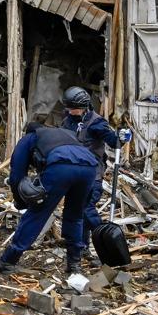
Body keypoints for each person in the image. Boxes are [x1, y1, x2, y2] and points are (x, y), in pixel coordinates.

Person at [0, 122, 102, 274]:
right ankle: (74, 265)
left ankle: (8, 261)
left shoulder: (29, 138)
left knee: (37, 213)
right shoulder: (66, 134)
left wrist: (20, 201)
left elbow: (16, 175)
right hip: (90, 168)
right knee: (75, 216)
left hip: (61, 166)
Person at [59, 87, 132, 249]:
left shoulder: (96, 123)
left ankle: (109, 242)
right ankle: (82, 246)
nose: (71, 111)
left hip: (92, 176)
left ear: (84, 106)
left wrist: (121, 137)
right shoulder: (68, 120)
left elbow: (113, 141)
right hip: (72, 175)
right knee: (77, 213)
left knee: (86, 210)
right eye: (69, 108)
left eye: (74, 109)